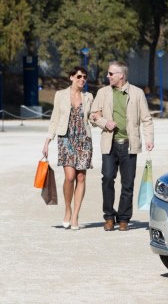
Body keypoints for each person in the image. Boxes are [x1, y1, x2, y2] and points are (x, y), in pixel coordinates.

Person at [90, 60, 154, 231]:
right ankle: (109, 217)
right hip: (109, 145)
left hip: (129, 145)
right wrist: (104, 122)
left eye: (111, 73)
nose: (108, 76)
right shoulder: (103, 92)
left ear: (121, 75)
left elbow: (146, 119)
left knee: (128, 183)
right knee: (108, 179)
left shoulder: (137, 93)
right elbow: (92, 115)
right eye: (108, 73)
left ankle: (124, 218)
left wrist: (149, 139)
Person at [42, 66, 93, 230]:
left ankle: (76, 215)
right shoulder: (61, 95)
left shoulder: (89, 97)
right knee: (70, 177)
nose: (82, 80)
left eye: (84, 77)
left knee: (81, 178)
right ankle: (67, 209)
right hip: (66, 139)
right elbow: (54, 118)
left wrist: (106, 123)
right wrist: (47, 141)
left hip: (84, 139)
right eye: (79, 77)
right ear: (71, 78)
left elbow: (93, 116)